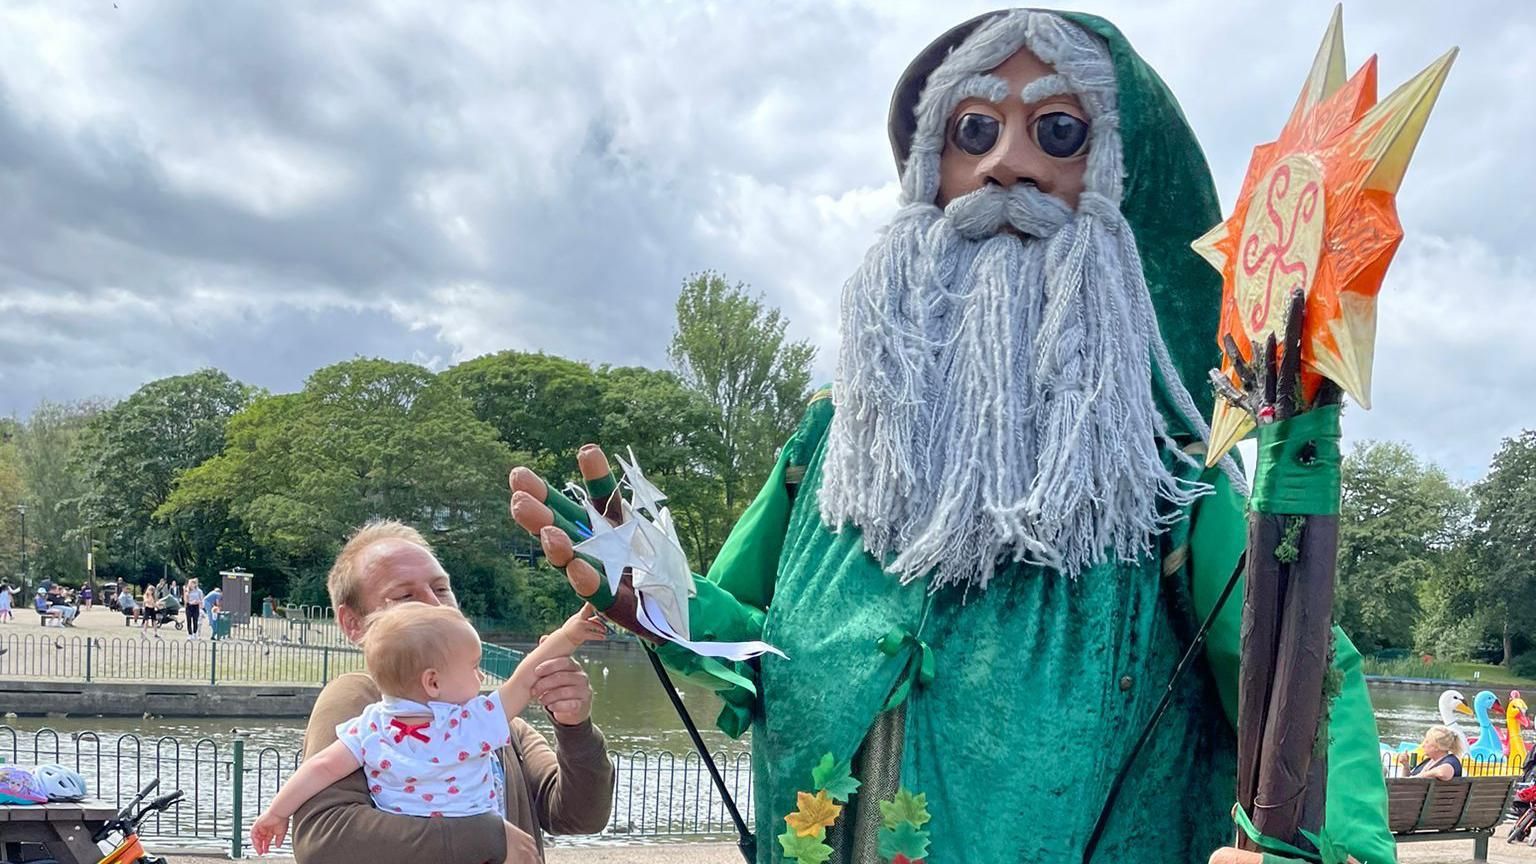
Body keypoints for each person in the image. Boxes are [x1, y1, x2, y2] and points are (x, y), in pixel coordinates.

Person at [508, 10, 1397, 863]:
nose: (1006, 167)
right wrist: (658, 590)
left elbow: (1301, 673)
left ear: (1115, 178)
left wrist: (1323, 850)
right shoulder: (831, 439)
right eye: (972, 131)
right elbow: (752, 646)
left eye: (1057, 133)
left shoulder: (1165, 468)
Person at [289, 520, 614, 864]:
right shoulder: (360, 702)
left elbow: (580, 816)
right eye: (405, 596)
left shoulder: (497, 722)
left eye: (441, 589)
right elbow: (323, 839)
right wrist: (487, 836)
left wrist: (574, 726)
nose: (436, 604)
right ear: (353, 624)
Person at [251, 602, 605, 854]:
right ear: (433, 682)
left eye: (439, 588)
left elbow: (319, 767)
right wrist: (569, 634)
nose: (481, 677)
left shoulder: (370, 727)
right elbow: (527, 676)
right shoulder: (467, 723)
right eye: (475, 667)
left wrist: (276, 812)